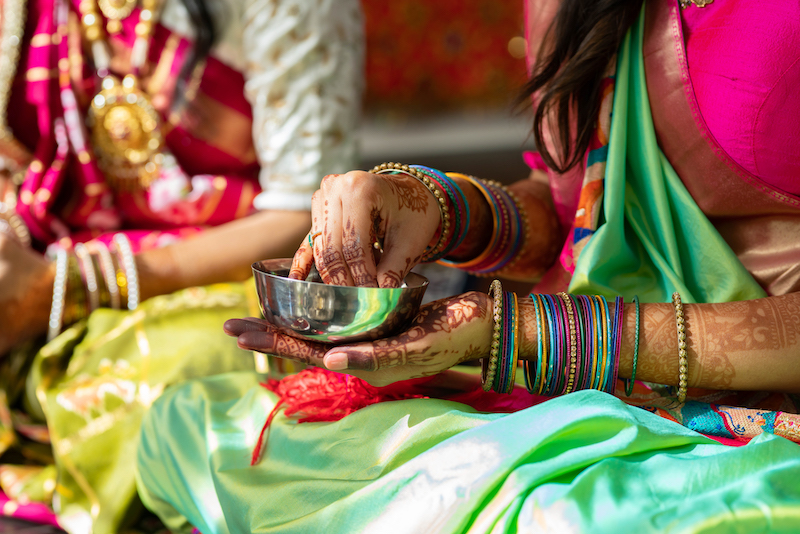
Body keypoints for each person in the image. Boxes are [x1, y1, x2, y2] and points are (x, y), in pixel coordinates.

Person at [137, 0, 800, 532]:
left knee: (566, 518)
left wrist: (516, 333)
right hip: (581, 400)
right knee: (194, 425)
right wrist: (433, 206)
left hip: (761, 423)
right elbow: (574, 210)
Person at [0, 0, 362, 531]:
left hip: (226, 279)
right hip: (44, 260)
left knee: (164, 391)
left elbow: (307, 216)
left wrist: (80, 283)